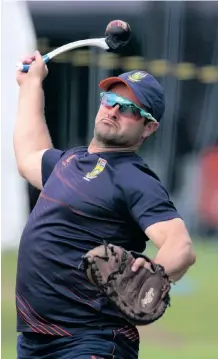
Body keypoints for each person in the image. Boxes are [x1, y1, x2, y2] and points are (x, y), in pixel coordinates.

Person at [14, 51, 196, 359]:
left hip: (90, 341)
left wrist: (155, 273)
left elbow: (180, 245)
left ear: (148, 127)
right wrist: (31, 85)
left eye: (128, 109)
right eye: (109, 99)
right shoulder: (71, 161)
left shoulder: (134, 178)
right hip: (36, 340)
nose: (113, 110)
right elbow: (29, 155)